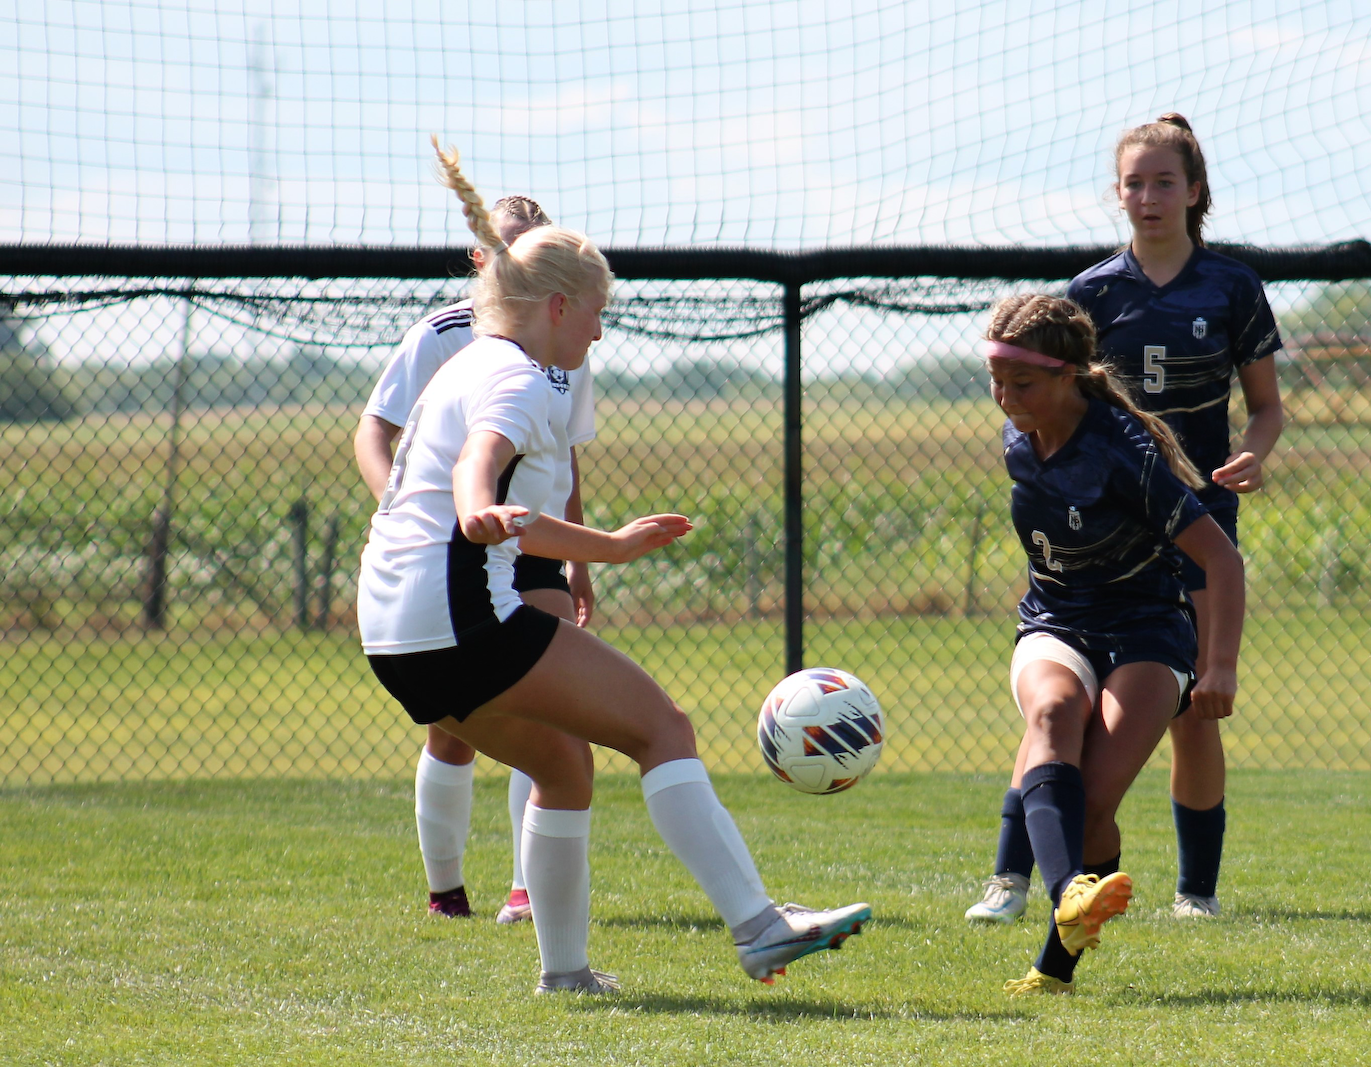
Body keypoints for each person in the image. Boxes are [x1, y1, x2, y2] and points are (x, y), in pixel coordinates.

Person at [357, 138, 871, 993]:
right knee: (662, 726)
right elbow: (478, 467)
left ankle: (566, 975)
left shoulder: (472, 359)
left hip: (392, 634)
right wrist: (486, 508)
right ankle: (759, 928)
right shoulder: (519, 378)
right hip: (457, 618)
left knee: (563, 767)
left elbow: (508, 515)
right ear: (558, 305)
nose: (599, 330)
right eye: (596, 312)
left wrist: (603, 543)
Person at [967, 113, 1282, 925]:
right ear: (1118, 193)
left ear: (1195, 191)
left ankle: (1195, 891)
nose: (1148, 196)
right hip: (1108, 524)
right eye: (1135, 183)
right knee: (1058, 702)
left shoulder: (1232, 286)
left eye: (1164, 181)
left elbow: (1266, 408)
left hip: (1194, 519)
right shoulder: (1091, 293)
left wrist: (1253, 451)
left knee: (1195, 710)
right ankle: (1010, 877)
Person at [972, 294, 1245, 996]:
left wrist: (1219, 665)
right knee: (1052, 713)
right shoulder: (1018, 440)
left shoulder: (1124, 452)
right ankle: (1066, 890)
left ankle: (1053, 970)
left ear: (1068, 374)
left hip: (1148, 629)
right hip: (1056, 621)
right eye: (996, 381)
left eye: (1022, 383)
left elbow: (1222, 559)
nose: (1006, 398)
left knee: (1094, 805)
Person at [355, 194, 598, 925]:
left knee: (558, 718)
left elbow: (564, 455)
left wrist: (583, 559)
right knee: (455, 729)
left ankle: (527, 890)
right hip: (459, 542)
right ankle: (447, 890)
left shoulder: (566, 340)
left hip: (532, 540)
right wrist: (404, 511)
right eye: (507, 248)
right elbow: (375, 432)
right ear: (481, 257)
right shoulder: (444, 336)